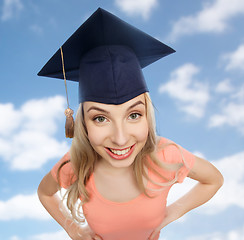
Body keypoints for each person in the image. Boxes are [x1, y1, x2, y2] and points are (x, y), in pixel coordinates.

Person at [37, 8, 223, 240]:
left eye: (134, 115)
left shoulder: (166, 156)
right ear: (82, 122)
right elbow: (45, 193)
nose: (121, 138)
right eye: (100, 118)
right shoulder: (76, 165)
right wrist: (74, 230)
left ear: (148, 115)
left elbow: (214, 179)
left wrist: (170, 214)